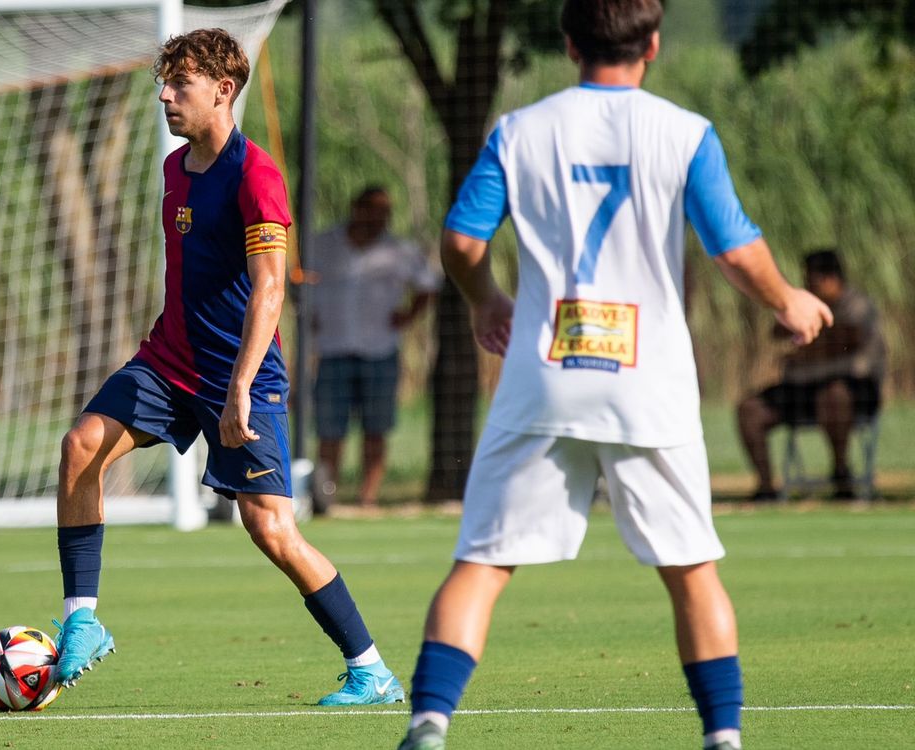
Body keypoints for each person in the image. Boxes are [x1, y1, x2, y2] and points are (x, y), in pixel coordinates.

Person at [395, 1, 832, 749]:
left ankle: (430, 725)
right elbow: (732, 249)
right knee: (691, 569)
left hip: (544, 375)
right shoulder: (684, 132)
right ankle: (723, 738)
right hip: (646, 383)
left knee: (483, 563)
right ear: (653, 44)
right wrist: (787, 296)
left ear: (569, 43)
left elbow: (463, 239)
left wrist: (486, 301)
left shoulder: (519, 130)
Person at [51, 28, 404, 707]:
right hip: (168, 363)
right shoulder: (174, 169)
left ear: (222, 90)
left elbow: (270, 289)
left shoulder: (256, 176)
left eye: (178, 85)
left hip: (241, 377)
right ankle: (83, 621)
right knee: (81, 446)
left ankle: (370, 668)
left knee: (269, 528)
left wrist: (239, 387)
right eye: (164, 83)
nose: (164, 95)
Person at [306, 186, 440, 510]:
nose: (379, 216)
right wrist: (310, 318)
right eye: (373, 208)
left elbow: (429, 285)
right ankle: (328, 499)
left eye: (385, 211)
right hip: (332, 349)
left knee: (376, 429)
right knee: (329, 430)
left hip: (380, 351)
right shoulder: (322, 244)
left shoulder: (399, 250)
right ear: (356, 207)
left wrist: (409, 315)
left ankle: (368, 500)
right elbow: (298, 284)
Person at [737, 249, 885, 500]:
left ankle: (841, 475)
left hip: (853, 391)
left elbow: (849, 341)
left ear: (829, 279)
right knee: (750, 409)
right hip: (803, 389)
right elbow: (779, 333)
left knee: (834, 395)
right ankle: (765, 486)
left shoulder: (856, 305)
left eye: (811, 280)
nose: (807, 286)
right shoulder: (804, 305)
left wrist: (812, 346)